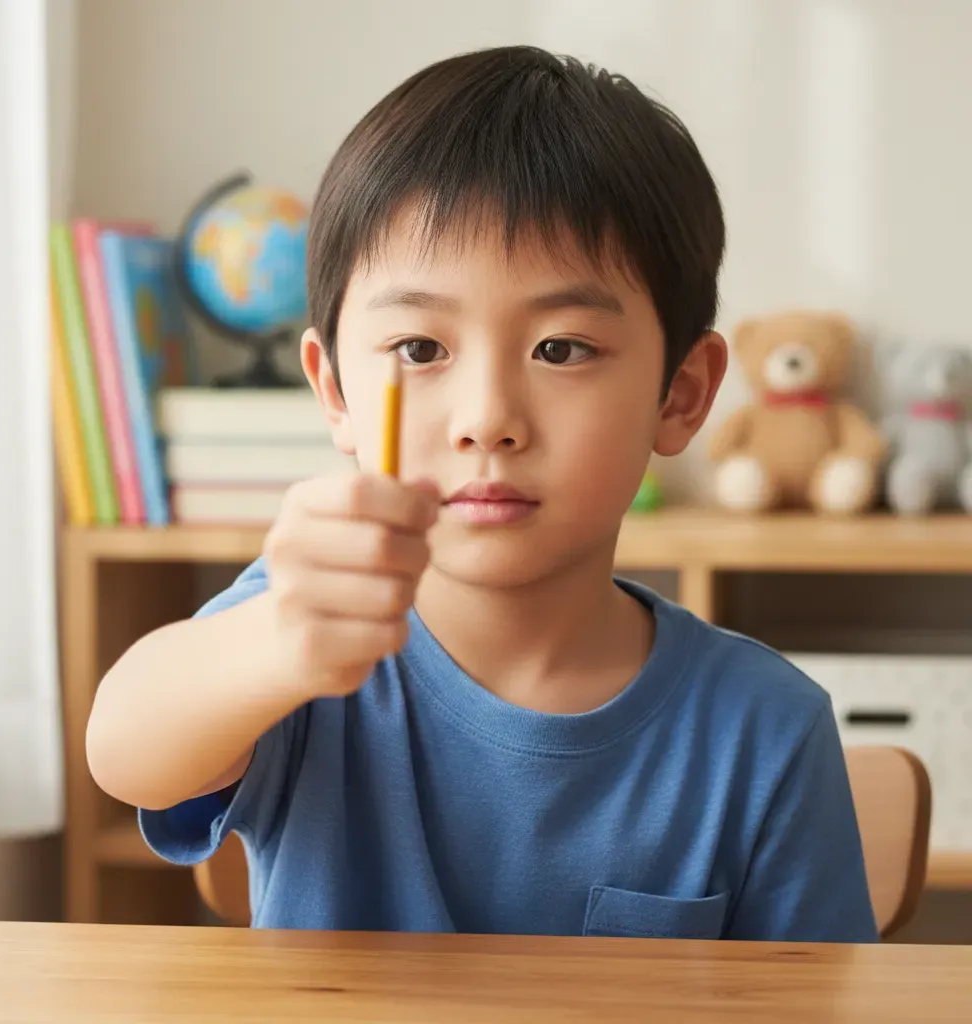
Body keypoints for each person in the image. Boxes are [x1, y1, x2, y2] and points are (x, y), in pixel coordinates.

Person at [86, 46, 877, 941]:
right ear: (336, 389)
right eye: (421, 350)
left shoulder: (767, 731)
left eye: (562, 349)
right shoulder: (304, 638)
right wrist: (275, 645)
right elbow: (126, 754)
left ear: (683, 393)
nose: (488, 420)